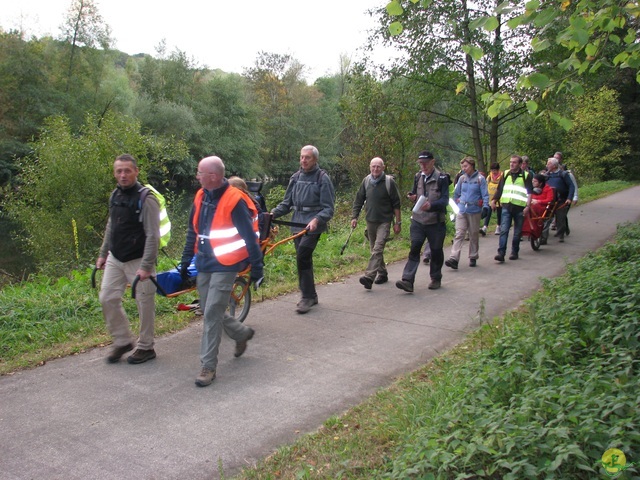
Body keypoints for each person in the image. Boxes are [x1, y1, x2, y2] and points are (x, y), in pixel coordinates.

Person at [180, 156, 263, 387]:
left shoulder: (234, 200)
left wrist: (257, 268)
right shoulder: (200, 196)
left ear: (213, 176)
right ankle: (241, 333)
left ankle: (208, 366)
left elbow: (250, 237)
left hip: (226, 264)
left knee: (212, 313)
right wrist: (186, 260)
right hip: (204, 263)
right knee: (210, 310)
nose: (197, 177)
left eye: (200, 173)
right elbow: (192, 231)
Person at [96, 154, 160, 365]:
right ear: (114, 173)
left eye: (127, 171)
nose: (122, 175)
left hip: (139, 258)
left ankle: (146, 346)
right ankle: (123, 341)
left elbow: (153, 235)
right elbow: (110, 226)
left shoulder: (146, 198)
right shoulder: (115, 195)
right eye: (119, 171)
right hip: (116, 257)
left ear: (136, 171)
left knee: (144, 303)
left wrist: (146, 266)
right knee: (107, 297)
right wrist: (103, 253)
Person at [271, 145, 336, 313]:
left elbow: (328, 208)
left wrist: (317, 219)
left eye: (307, 157)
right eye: (301, 157)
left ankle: (306, 297)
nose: (303, 160)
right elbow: (287, 204)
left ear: (315, 159)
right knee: (304, 259)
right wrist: (272, 214)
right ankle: (311, 295)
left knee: (302, 256)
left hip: (313, 226)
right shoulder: (295, 177)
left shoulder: (323, 178)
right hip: (296, 224)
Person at [396, 150, 450, 292]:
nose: (423, 166)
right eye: (421, 163)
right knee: (415, 248)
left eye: (426, 163)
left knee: (436, 250)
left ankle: (436, 277)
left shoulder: (442, 178)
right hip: (418, 221)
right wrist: (412, 197)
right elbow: (415, 192)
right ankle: (407, 280)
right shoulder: (418, 176)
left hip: (436, 222)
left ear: (432, 162)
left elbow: (445, 200)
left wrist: (431, 206)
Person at [351, 157, 402, 289]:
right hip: (370, 220)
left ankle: (369, 276)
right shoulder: (366, 181)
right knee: (374, 249)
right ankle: (383, 273)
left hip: (384, 221)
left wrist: (398, 222)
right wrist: (354, 217)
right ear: (370, 167)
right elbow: (359, 200)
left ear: (383, 168)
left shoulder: (389, 182)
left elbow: (397, 204)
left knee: (378, 248)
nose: (375, 169)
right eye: (373, 166)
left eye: (378, 166)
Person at [445, 157, 489, 269]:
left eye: (466, 166)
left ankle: (473, 256)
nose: (464, 169)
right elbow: (456, 194)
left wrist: (485, 207)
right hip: (462, 210)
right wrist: (455, 208)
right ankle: (454, 258)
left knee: (473, 234)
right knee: (459, 233)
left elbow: (485, 195)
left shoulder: (480, 179)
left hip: (474, 210)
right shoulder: (462, 179)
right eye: (462, 167)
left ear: (472, 166)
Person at [490, 155, 533, 262]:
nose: (511, 164)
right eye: (510, 162)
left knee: (517, 232)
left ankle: (514, 251)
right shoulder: (505, 174)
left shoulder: (526, 176)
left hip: (520, 207)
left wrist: (528, 206)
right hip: (506, 206)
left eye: (514, 162)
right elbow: (500, 189)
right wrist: (494, 200)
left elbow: (530, 193)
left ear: (519, 164)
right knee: (504, 230)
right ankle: (501, 253)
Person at [542, 157, 575, 244]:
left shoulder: (563, 174)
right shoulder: (546, 175)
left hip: (561, 199)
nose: (547, 165)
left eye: (548, 164)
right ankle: (543, 238)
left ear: (554, 165)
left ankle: (561, 235)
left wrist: (569, 198)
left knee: (560, 218)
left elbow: (571, 186)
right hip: (549, 200)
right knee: (546, 218)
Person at [482, 162, 503, 236]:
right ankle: (485, 227)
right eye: (492, 170)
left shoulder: (502, 176)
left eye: (495, 170)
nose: (493, 172)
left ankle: (498, 226)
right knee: (488, 212)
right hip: (490, 198)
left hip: (499, 199)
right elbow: (485, 185)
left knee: (499, 213)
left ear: (498, 170)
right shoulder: (489, 177)